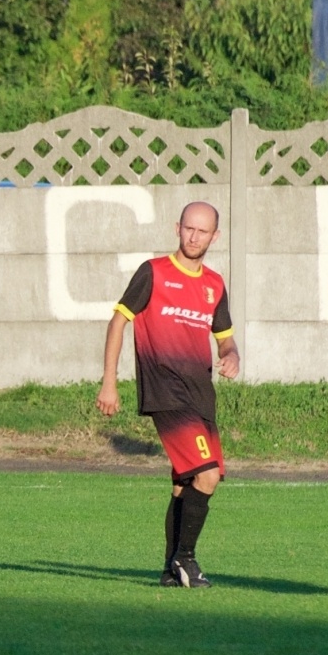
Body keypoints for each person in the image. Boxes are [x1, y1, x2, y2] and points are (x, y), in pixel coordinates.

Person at [97, 200, 240, 588]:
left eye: (203, 231)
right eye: (188, 228)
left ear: (215, 236)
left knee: (185, 484)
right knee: (208, 476)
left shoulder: (214, 285)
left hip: (200, 398)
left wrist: (232, 357)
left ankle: (169, 570)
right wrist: (110, 381)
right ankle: (187, 561)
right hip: (167, 394)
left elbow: (225, 340)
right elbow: (118, 322)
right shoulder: (154, 273)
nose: (194, 237)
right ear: (177, 228)